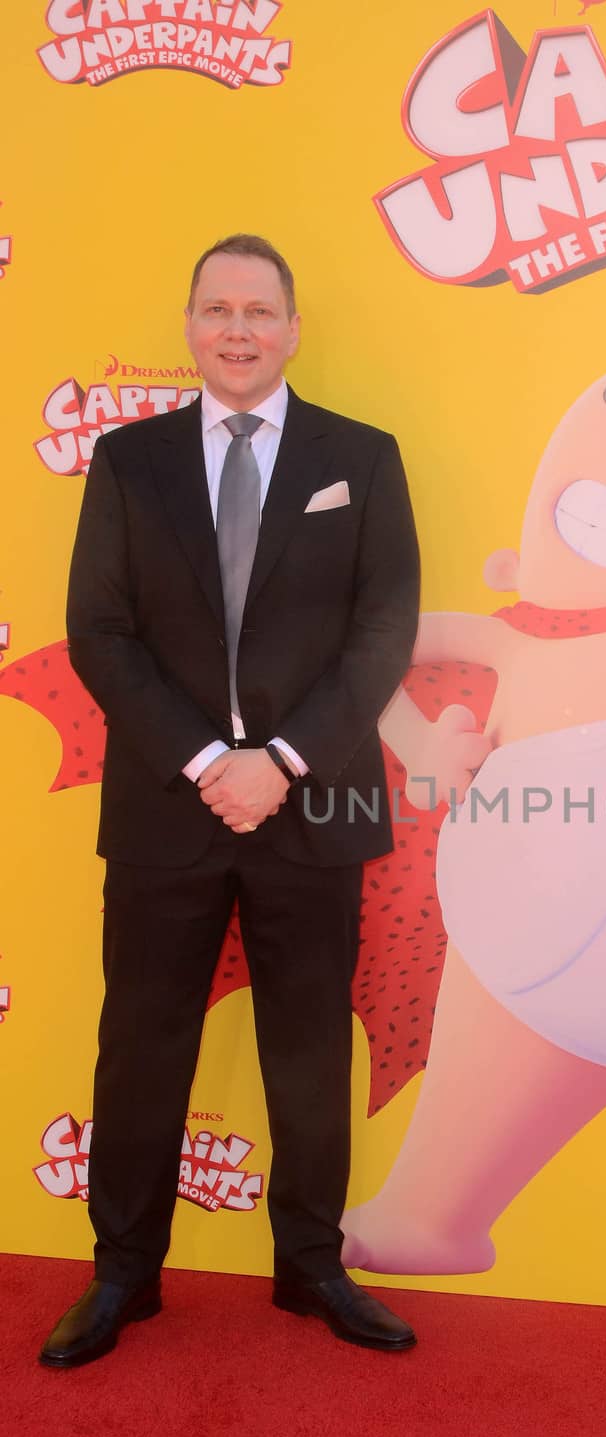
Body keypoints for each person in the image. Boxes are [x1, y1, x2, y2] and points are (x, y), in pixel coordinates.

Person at [40, 234, 421, 1367]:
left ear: (294, 328)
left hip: (318, 799)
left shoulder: (366, 454)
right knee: (141, 1043)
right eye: (217, 309)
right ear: (192, 327)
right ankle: (122, 1275)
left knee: (308, 1047)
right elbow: (99, 632)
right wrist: (211, 760)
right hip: (170, 802)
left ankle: (310, 1269)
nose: (239, 328)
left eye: (260, 309)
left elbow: (382, 629)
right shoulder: (129, 458)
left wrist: (284, 760)